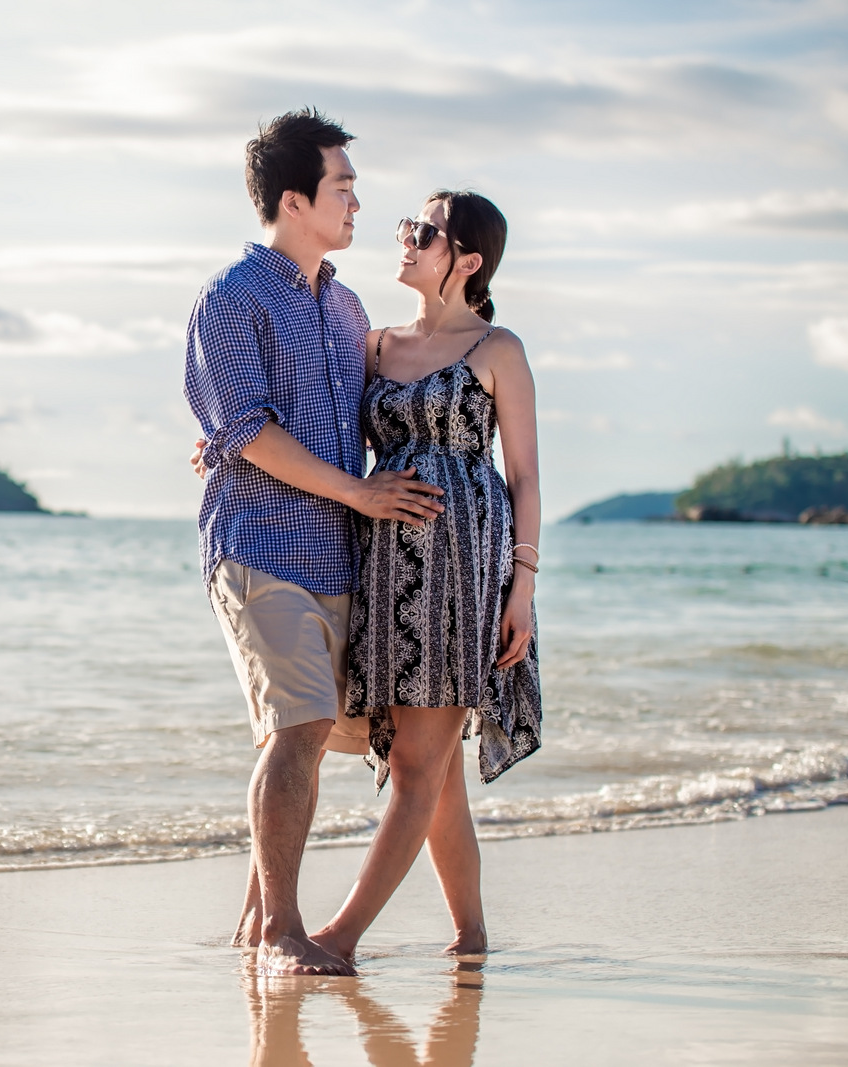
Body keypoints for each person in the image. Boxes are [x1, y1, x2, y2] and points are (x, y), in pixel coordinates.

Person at [183, 108, 446, 977]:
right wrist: (357, 489)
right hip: (259, 548)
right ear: (294, 200)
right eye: (343, 188)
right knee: (298, 727)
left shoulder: (347, 306)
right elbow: (251, 432)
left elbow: (373, 410)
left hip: (341, 554)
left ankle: (256, 919)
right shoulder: (230, 299)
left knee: (310, 732)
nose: (357, 203)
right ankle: (283, 933)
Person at [308, 190, 543, 970]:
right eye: (408, 225)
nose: (404, 237)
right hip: (384, 562)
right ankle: (471, 936)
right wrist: (224, 443)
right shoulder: (373, 346)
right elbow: (307, 419)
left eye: (426, 232)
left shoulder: (497, 349)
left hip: (462, 570)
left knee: (416, 764)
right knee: (437, 776)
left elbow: (526, 481)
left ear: (468, 261)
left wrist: (523, 590)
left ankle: (339, 938)